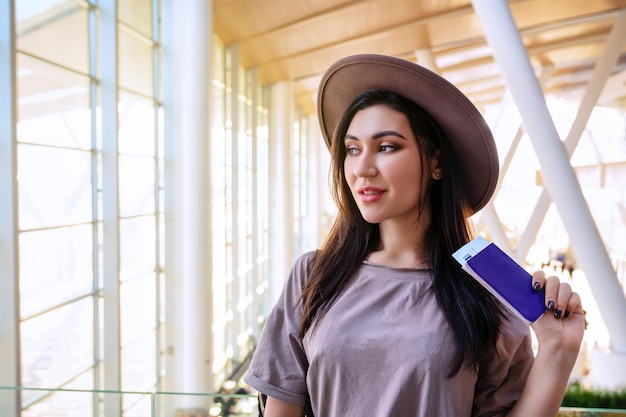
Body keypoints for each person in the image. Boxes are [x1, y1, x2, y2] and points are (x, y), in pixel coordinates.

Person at [244, 54, 585, 417]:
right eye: (352, 149)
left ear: (436, 162)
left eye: (386, 146)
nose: (361, 168)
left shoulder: (485, 294)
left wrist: (558, 350)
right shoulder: (313, 276)